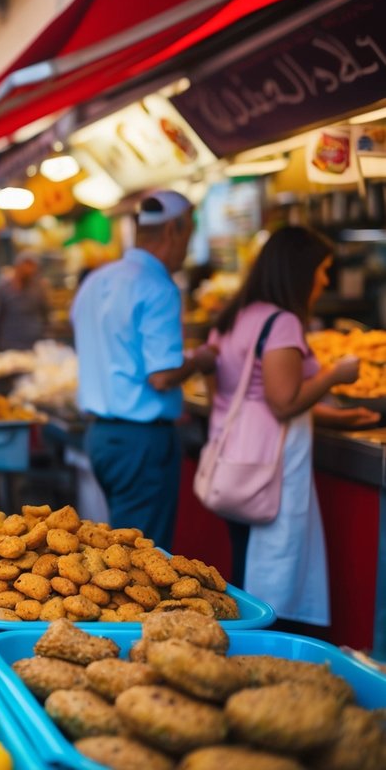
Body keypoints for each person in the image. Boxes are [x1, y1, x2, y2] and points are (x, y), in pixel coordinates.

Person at [205, 227, 376, 628]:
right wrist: (335, 375)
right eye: (322, 269)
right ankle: (267, 642)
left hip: (234, 465)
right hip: (267, 470)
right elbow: (282, 403)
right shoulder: (280, 323)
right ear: (300, 271)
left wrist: (339, 417)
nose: (325, 280)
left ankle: (241, 637)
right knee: (269, 574)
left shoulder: (234, 315)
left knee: (242, 569)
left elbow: (245, 396)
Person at [71, 190, 217, 550]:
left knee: (122, 551)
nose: (188, 244)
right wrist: (200, 360)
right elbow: (163, 375)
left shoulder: (95, 281)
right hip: (141, 443)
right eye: (190, 233)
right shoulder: (157, 287)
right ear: (174, 231)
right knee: (140, 561)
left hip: (101, 437)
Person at [0, 252, 48, 352]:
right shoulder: (3, 287)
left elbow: (45, 314)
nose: (29, 270)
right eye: (26, 266)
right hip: (9, 341)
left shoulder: (39, 288)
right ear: (18, 267)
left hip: (33, 343)